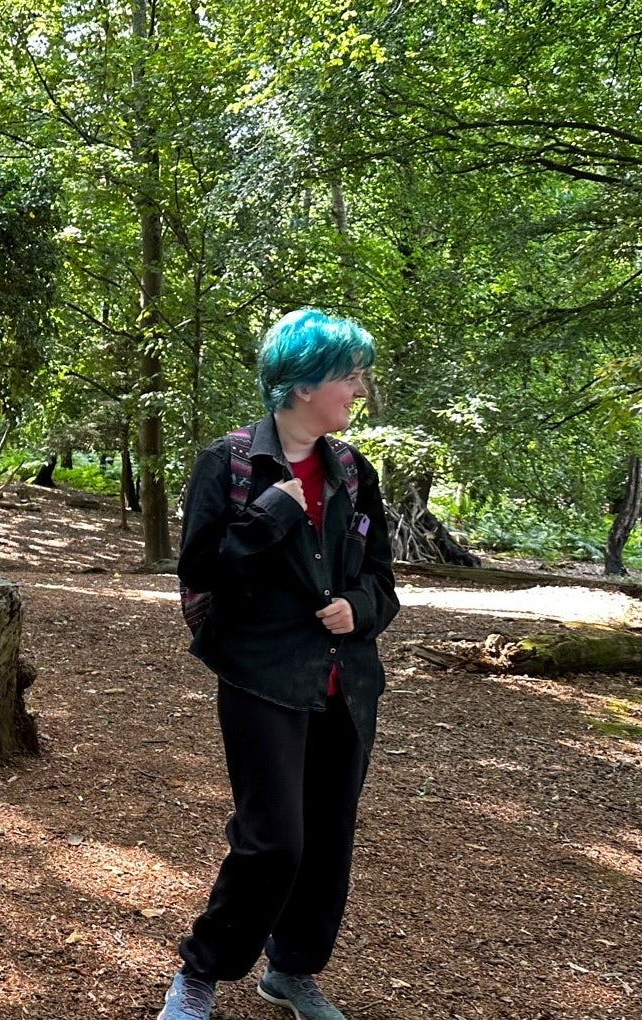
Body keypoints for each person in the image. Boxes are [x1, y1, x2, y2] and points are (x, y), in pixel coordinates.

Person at [159, 309, 399, 1020]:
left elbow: (382, 581)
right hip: (262, 675)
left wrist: (361, 606)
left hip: (346, 682)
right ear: (302, 384)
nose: (358, 388)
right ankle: (201, 971)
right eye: (348, 375)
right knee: (274, 842)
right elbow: (198, 572)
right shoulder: (231, 463)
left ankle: (292, 970)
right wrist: (268, 515)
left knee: (328, 839)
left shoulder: (355, 472)